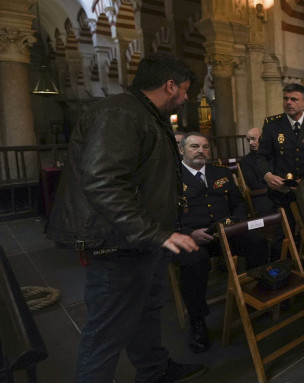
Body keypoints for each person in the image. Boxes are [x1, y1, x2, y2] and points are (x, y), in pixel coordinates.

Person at [46, 53, 205, 383]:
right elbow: (103, 182)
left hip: (142, 240)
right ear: (170, 85)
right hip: (117, 242)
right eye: (185, 89)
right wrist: (154, 233)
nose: (187, 97)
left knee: (147, 310)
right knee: (106, 331)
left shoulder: (145, 113)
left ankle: (154, 369)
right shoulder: (119, 113)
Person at [173, 133, 269, 353]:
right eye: (195, 146)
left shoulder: (221, 173)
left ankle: (254, 296)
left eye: (205, 147)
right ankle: (197, 321)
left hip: (226, 232)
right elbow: (165, 218)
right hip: (190, 238)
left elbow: (239, 203)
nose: (201, 151)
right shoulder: (170, 178)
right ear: (182, 150)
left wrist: (235, 222)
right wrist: (189, 233)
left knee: (258, 242)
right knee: (194, 262)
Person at [253, 83, 304, 258]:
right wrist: (267, 175)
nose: (288, 102)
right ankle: (281, 274)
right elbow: (261, 157)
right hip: (282, 191)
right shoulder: (272, 125)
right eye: (286, 98)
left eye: (294, 99)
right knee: (282, 237)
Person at [240, 127, 275, 216]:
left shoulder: (274, 154)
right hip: (261, 195)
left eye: (253, 139)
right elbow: (253, 184)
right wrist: (275, 184)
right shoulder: (246, 161)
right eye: (248, 140)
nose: (251, 143)